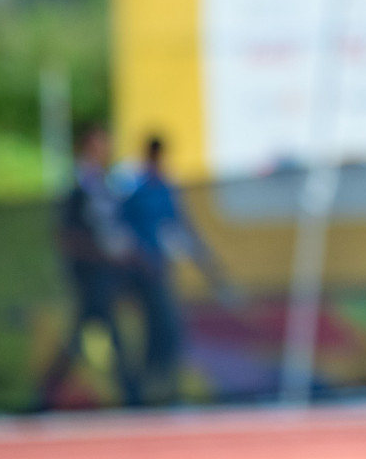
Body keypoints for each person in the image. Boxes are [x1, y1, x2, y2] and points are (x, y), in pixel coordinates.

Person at [118, 134, 231, 404]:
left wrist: (206, 263)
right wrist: (137, 259)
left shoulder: (165, 187)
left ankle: (156, 388)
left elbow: (180, 225)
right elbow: (123, 229)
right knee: (160, 328)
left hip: (160, 269)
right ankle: (148, 389)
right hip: (140, 272)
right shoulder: (133, 187)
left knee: (164, 330)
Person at [37, 125, 142, 409]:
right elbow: (67, 235)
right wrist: (97, 255)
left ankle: (45, 393)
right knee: (98, 331)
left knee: (85, 333)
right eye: (98, 143)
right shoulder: (78, 185)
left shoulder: (104, 184)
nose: (104, 149)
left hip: (105, 272)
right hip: (89, 273)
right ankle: (132, 394)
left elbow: (110, 228)